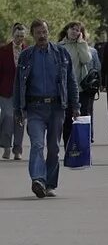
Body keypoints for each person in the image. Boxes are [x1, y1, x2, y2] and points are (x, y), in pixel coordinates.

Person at [12, 19, 80, 198]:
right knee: (37, 144)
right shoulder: (26, 56)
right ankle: (38, 180)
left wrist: (76, 106)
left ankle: (49, 184)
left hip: (57, 107)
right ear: (33, 35)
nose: (42, 36)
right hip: (35, 108)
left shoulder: (61, 54)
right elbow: (18, 84)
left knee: (53, 148)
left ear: (48, 32)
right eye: (38, 33)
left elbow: (71, 82)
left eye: (44, 32)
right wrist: (18, 110)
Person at [58, 21, 93, 147]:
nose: (74, 32)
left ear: (81, 34)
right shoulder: (60, 46)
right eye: (72, 29)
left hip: (81, 89)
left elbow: (86, 59)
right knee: (67, 120)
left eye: (78, 30)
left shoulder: (82, 45)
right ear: (67, 30)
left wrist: (81, 43)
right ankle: (68, 147)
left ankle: (82, 148)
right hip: (65, 89)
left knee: (81, 118)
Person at [0, 23, 28, 160]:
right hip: (5, 91)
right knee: (7, 118)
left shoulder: (28, 51)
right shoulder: (3, 50)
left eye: (22, 36)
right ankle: (6, 147)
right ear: (13, 35)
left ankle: (18, 150)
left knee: (20, 121)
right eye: (17, 36)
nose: (19, 39)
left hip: (23, 92)